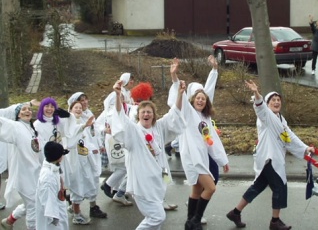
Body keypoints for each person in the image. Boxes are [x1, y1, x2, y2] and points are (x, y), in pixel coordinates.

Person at [226, 80, 314, 230]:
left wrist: (305, 148)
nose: (276, 102)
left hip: (274, 159)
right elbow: (260, 108)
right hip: (268, 159)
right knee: (280, 186)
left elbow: (290, 137)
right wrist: (256, 93)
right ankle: (275, 222)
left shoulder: (280, 119)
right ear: (267, 103)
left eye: (278, 100)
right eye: (273, 100)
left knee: (257, 187)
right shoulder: (265, 118)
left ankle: (235, 212)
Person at [111, 63, 185, 230]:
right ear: (138, 115)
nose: (146, 114)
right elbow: (120, 117)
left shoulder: (158, 127)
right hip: (142, 184)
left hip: (158, 182)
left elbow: (175, 114)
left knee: (155, 220)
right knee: (157, 216)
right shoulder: (134, 132)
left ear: (153, 115)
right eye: (143, 112)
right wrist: (117, 95)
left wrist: (180, 93)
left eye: (149, 112)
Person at [168, 57, 229, 230]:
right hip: (193, 159)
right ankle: (196, 220)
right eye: (198, 98)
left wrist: (222, 160)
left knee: (196, 190)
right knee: (210, 188)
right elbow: (179, 98)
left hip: (202, 157)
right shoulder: (188, 113)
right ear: (192, 99)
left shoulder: (205, 118)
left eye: (203, 98)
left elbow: (213, 141)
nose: (201, 100)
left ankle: (190, 222)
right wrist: (174, 77)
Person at [0, 103, 44, 230]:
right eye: (23, 109)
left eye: (29, 109)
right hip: (23, 175)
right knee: (33, 205)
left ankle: (9, 221)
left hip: (35, 174)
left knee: (36, 201)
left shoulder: (31, 129)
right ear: (18, 114)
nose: (27, 111)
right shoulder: (15, 127)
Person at [66, 100, 107, 225]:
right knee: (77, 184)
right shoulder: (68, 123)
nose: (78, 110)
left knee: (90, 181)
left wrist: (95, 148)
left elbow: (89, 139)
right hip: (75, 161)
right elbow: (71, 142)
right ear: (70, 109)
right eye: (75, 108)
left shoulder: (84, 121)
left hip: (87, 159)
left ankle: (89, 207)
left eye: (80, 108)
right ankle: (76, 214)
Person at [36, 141, 70, 230]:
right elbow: (48, 202)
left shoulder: (53, 167)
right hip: (53, 220)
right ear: (58, 157)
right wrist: (54, 218)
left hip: (59, 208)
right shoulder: (48, 177)